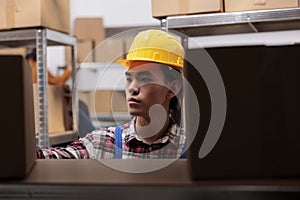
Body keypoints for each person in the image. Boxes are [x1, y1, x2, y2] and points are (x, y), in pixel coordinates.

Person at [36, 29, 186, 159]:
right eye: (129, 79)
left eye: (145, 79)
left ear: (172, 88)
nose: (132, 88)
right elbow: (52, 158)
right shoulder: (103, 143)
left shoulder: (189, 148)